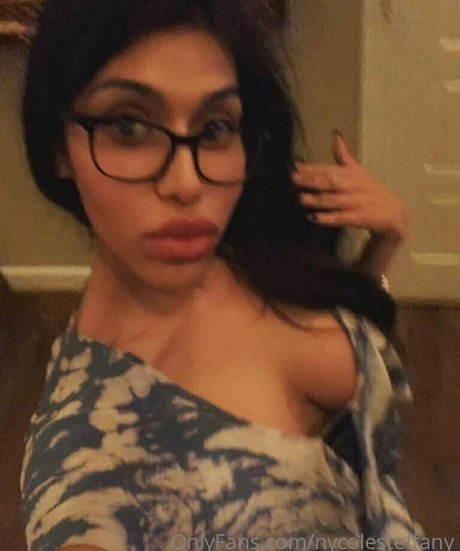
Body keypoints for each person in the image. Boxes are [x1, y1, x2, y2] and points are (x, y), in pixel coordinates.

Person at [19, 1, 423, 550]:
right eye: (128, 126)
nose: (187, 183)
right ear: (57, 147)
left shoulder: (251, 246)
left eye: (214, 128)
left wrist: (382, 246)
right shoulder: (92, 474)